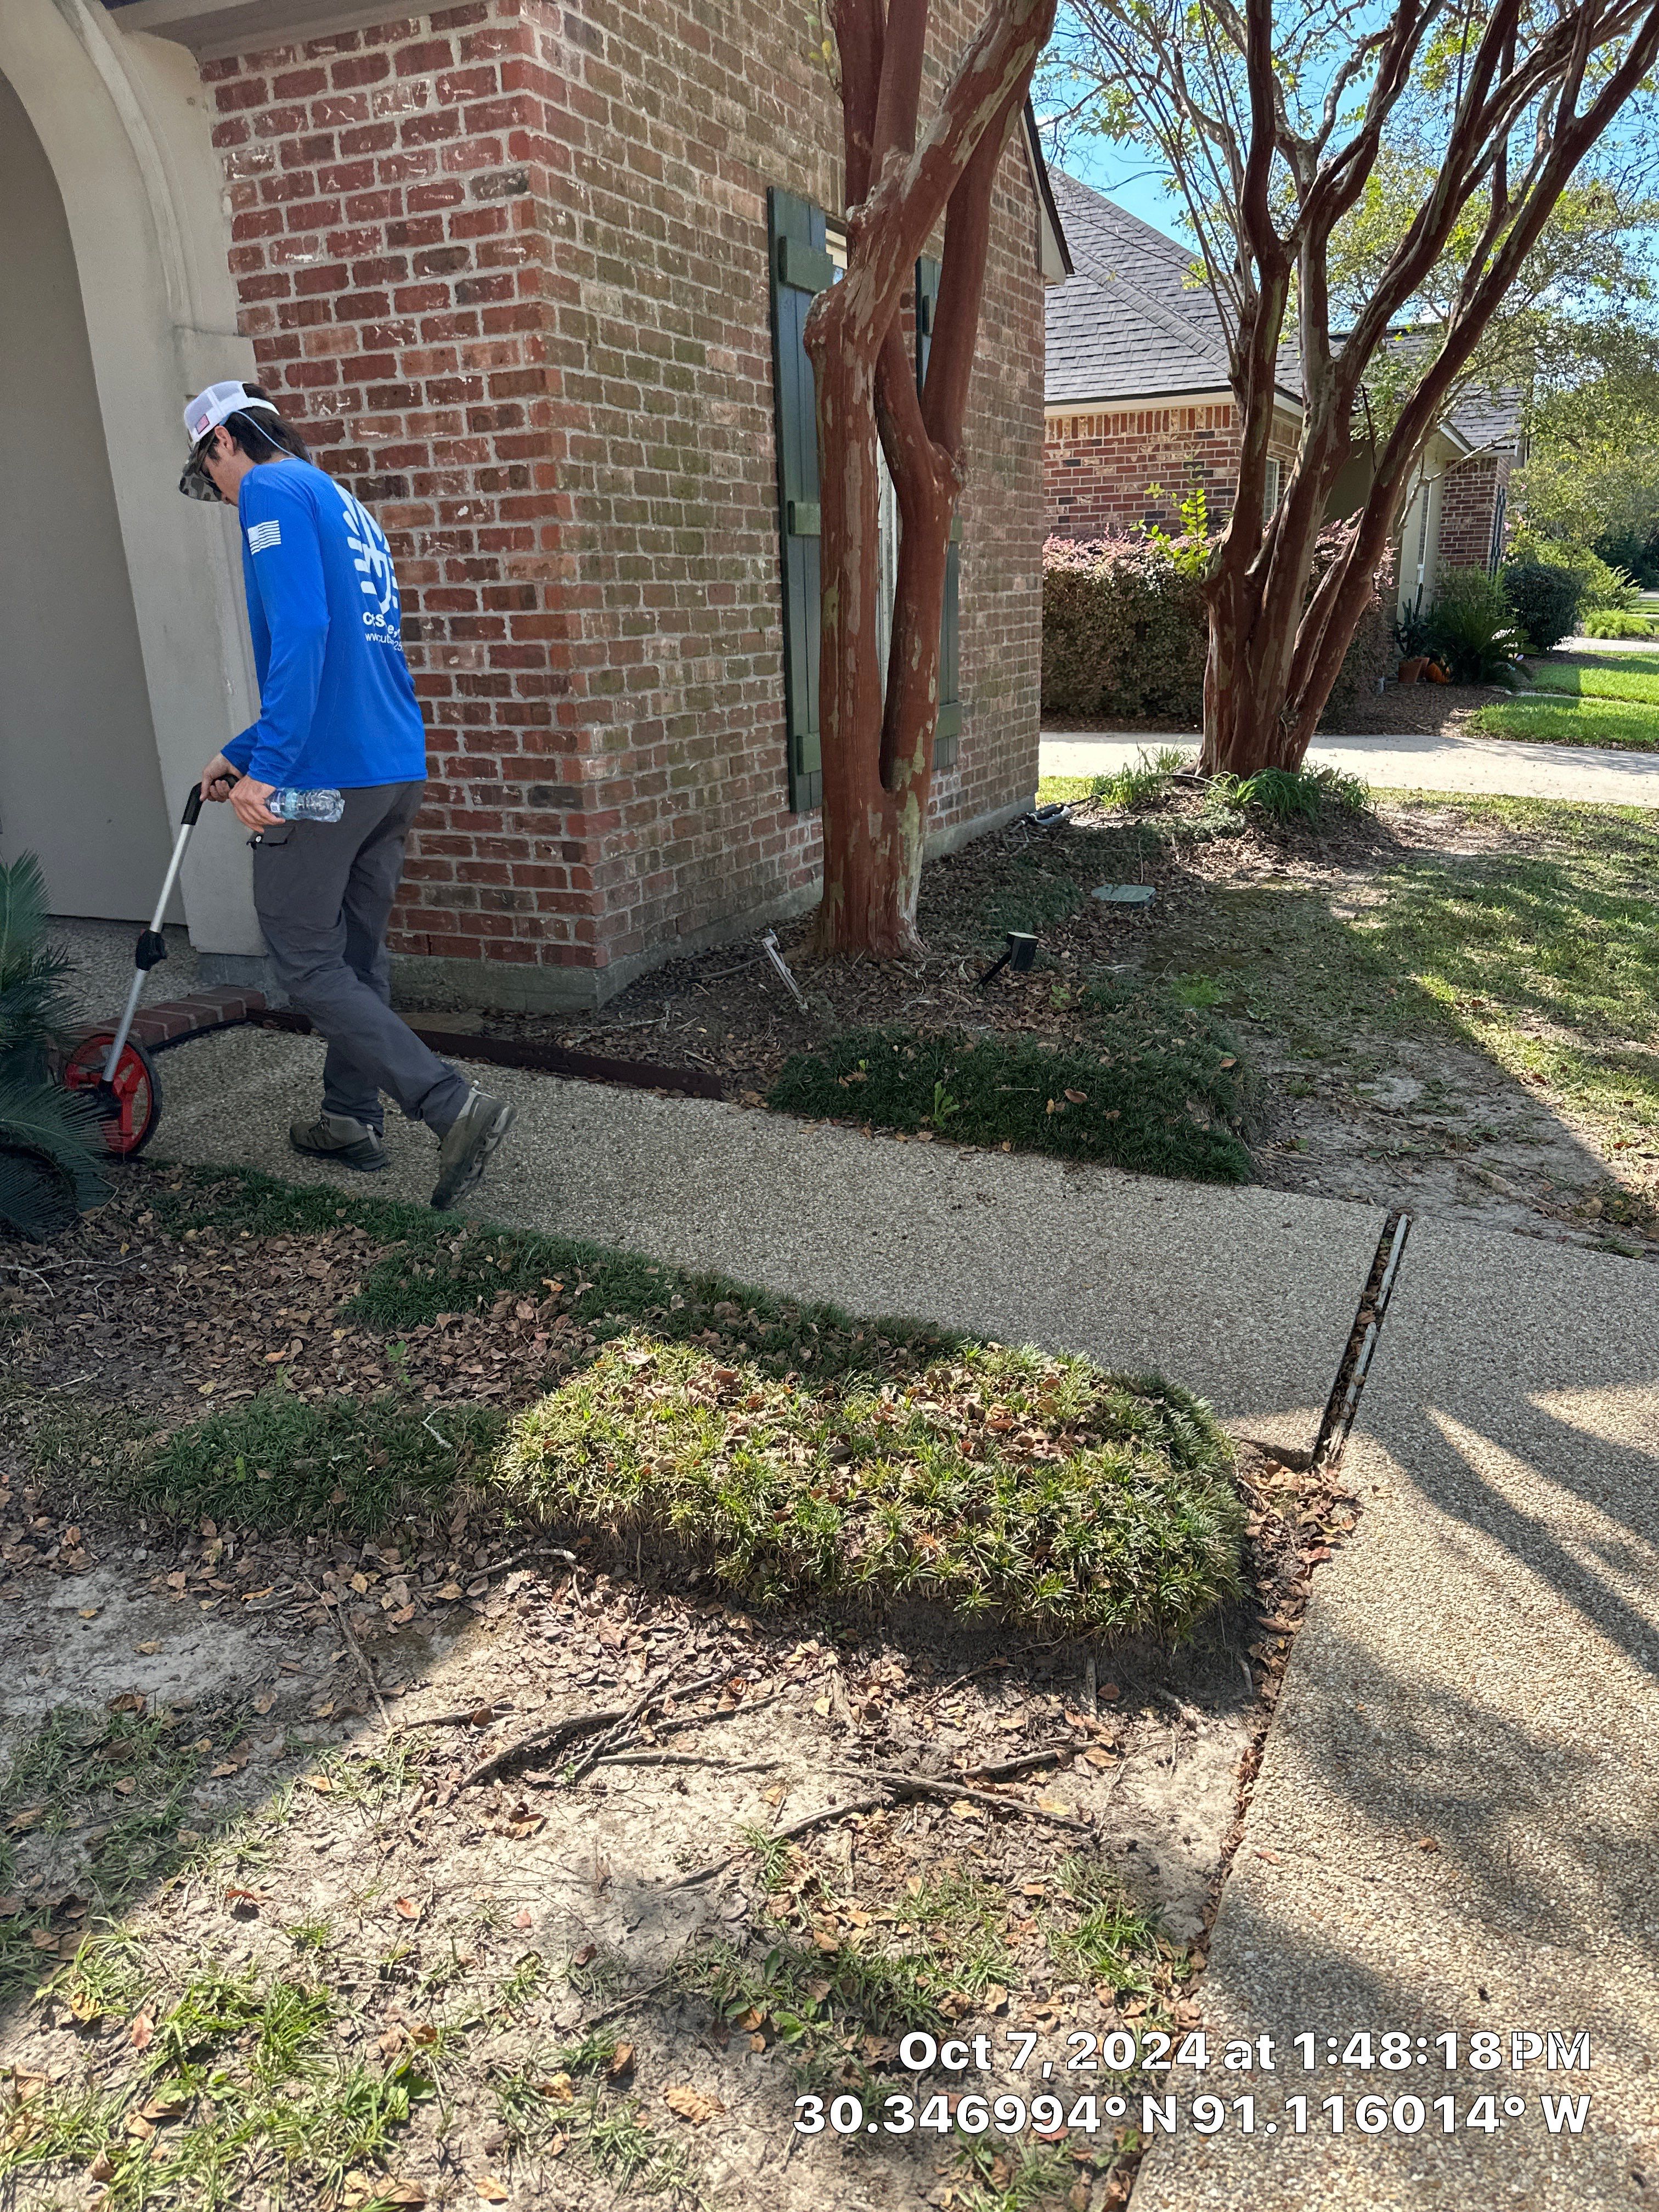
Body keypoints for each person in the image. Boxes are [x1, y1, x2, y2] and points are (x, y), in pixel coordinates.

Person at [182, 379, 515, 1210]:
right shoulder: (341, 500)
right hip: (390, 765)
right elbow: (349, 658)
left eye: (209, 470)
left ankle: (449, 1105)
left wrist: (271, 769)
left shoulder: (267, 488)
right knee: (358, 955)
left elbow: (303, 633)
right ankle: (347, 1116)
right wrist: (242, 749)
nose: (221, 493)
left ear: (224, 441)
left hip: (324, 775)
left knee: (306, 956)